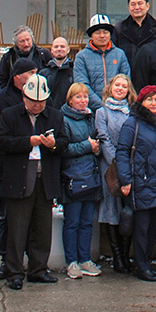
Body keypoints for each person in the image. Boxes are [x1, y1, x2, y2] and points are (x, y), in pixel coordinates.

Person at [0, 74, 64, 290]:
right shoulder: (9, 115)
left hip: (45, 180)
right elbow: (2, 142)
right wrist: (28, 142)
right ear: (24, 98)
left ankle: (38, 269)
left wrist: (53, 144)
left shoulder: (54, 115)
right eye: (33, 102)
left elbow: (64, 142)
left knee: (42, 229)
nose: (37, 106)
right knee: (17, 230)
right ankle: (14, 272)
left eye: (41, 102)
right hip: (19, 179)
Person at [0, 58, 37, 280]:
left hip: (34, 164)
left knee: (32, 216)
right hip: (7, 164)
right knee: (7, 215)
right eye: (30, 73)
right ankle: (7, 260)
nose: (34, 76)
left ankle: (34, 261)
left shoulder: (40, 97)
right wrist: (1, 157)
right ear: (17, 76)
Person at [117, 85, 156, 282]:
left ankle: (146, 263)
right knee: (141, 228)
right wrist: (125, 180)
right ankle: (141, 266)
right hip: (140, 183)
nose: (153, 103)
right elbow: (122, 152)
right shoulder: (132, 123)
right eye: (149, 99)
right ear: (141, 102)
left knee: (152, 228)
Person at [59, 83, 103, 281]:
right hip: (73, 177)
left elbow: (97, 142)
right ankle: (71, 261)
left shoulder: (91, 118)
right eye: (78, 97)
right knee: (72, 221)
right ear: (70, 100)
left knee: (87, 221)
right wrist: (87, 146)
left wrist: (96, 148)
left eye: (85, 97)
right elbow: (64, 148)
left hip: (91, 175)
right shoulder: (64, 119)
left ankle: (85, 259)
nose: (83, 100)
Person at [95, 73, 137, 273]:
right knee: (112, 208)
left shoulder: (133, 112)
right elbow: (104, 139)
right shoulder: (102, 112)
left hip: (131, 166)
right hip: (110, 167)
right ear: (110, 88)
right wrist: (118, 163)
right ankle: (117, 257)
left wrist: (128, 164)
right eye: (117, 85)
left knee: (128, 210)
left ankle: (127, 255)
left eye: (124, 86)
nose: (120, 89)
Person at [75, 14, 131, 112]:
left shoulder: (119, 54)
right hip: (90, 109)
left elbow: (126, 80)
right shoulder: (82, 56)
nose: (102, 36)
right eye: (97, 32)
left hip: (118, 108)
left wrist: (114, 103)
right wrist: (101, 105)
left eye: (105, 32)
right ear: (91, 35)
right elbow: (82, 84)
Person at [0, 24, 53, 90]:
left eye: (28, 40)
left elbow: (52, 74)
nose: (26, 44)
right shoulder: (8, 57)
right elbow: (1, 79)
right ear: (16, 43)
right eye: (22, 41)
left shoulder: (43, 54)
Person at [114, 0, 156, 69]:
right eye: (133, 4)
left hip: (153, 71)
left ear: (147, 6)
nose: (137, 7)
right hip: (127, 72)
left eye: (140, 4)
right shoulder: (119, 28)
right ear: (128, 7)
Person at [39, 36, 74, 109]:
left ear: (68, 50)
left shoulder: (75, 71)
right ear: (51, 50)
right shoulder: (43, 73)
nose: (59, 49)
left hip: (69, 112)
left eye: (62, 46)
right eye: (56, 47)